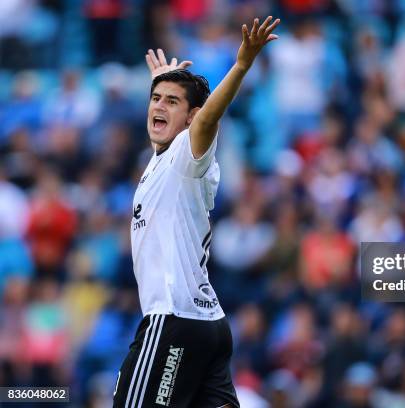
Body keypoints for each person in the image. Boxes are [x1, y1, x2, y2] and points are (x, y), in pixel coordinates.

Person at [112, 16, 280, 408]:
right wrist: (166, 81)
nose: (159, 106)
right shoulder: (160, 159)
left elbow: (206, 118)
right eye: (155, 99)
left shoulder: (189, 155)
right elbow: (172, 113)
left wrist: (240, 65)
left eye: (172, 102)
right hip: (208, 326)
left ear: (189, 118)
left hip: (173, 322)